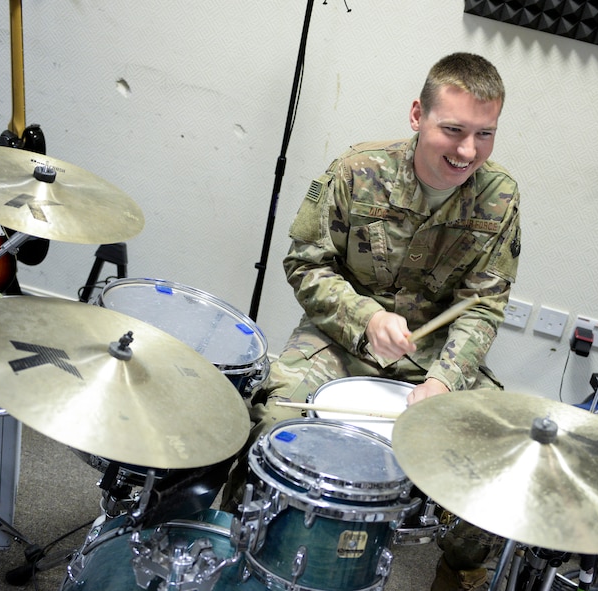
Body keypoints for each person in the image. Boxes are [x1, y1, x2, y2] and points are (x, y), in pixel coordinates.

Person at [222, 52, 521, 591]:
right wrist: (366, 315)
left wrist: (444, 379)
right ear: (417, 115)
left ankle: (457, 574)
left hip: (434, 356)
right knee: (270, 426)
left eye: (485, 134)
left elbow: (483, 303)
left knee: (495, 465)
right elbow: (305, 262)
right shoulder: (358, 169)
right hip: (341, 338)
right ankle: (237, 550)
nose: (467, 151)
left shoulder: (499, 197)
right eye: (453, 129)